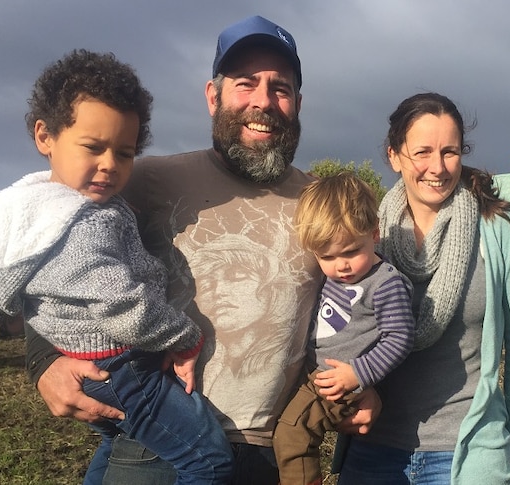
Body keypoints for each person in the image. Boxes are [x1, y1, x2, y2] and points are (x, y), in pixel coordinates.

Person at [22, 16, 380, 485]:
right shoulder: (147, 179)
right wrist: (43, 361)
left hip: (272, 452)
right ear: (213, 96)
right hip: (158, 446)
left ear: (297, 104)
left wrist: (367, 387)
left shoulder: (322, 203)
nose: (263, 102)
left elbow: (368, 296)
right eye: (245, 84)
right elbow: (51, 251)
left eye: (281, 88)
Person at [0, 50, 234, 484]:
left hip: (99, 367)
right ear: (45, 135)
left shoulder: (37, 210)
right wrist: (186, 337)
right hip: (121, 364)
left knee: (114, 442)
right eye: (93, 147)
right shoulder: (79, 224)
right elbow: (120, 303)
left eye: (125, 153)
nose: (110, 165)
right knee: (209, 461)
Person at [335, 92, 510, 484]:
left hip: (469, 450)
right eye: (422, 152)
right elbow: (335, 328)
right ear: (394, 156)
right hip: (375, 450)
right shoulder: (366, 235)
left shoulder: (498, 228)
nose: (438, 167)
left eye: (450, 151)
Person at [273, 173, 415, 485]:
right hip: (323, 375)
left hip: (344, 382)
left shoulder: (385, 282)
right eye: (327, 257)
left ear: (375, 232)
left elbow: (401, 337)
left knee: (292, 433)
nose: (342, 266)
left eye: (351, 251)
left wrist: (358, 375)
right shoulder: (335, 277)